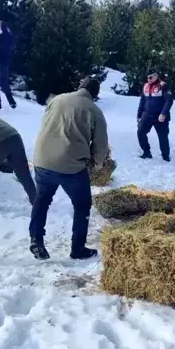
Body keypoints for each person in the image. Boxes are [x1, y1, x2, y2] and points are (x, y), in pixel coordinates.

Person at [29, 77, 108, 261]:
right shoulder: (94, 111)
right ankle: (77, 248)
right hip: (70, 166)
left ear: (79, 87)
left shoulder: (57, 99)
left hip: (42, 159)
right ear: (95, 95)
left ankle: (36, 240)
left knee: (42, 200)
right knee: (82, 205)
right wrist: (98, 163)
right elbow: (101, 144)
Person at [137, 68, 173, 162]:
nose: (148, 79)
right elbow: (142, 101)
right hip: (147, 115)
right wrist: (139, 114)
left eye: (150, 77)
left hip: (160, 116)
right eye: (147, 77)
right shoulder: (146, 86)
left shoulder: (163, 86)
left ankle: (165, 155)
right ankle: (146, 152)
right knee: (140, 132)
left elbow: (169, 101)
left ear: (156, 76)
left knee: (162, 136)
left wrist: (163, 114)